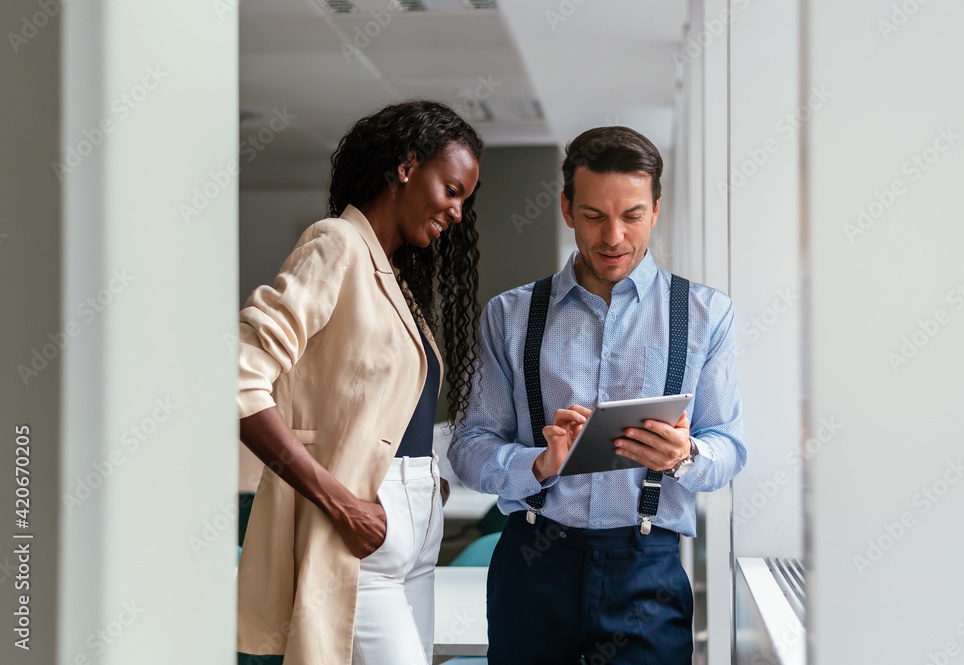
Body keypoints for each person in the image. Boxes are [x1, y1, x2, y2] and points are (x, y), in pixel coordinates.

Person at [449, 126, 747, 664]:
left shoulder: (705, 315)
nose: (613, 236)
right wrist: (537, 463)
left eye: (632, 215)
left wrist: (686, 456)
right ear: (566, 209)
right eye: (593, 216)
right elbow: (469, 448)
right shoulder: (509, 316)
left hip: (648, 567)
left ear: (656, 209)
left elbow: (729, 447)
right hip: (534, 563)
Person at [236, 100, 484, 665]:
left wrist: (422, 482)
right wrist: (339, 502)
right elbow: (241, 378)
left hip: (418, 527)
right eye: (452, 190)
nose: (457, 212)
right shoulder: (336, 244)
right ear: (405, 167)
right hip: (357, 525)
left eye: (465, 199)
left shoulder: (393, 276)